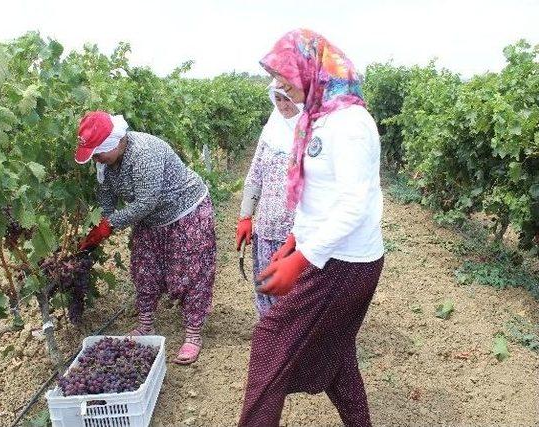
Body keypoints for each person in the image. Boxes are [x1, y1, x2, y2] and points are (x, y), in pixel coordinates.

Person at [238, 29, 385, 427]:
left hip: (346, 261)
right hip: (329, 254)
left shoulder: (350, 124)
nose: (281, 84)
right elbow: (316, 195)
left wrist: (301, 258)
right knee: (336, 352)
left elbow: (354, 204)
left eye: (287, 75)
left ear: (313, 70)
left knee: (271, 338)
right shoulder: (318, 118)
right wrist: (292, 240)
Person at [75, 111, 216, 365]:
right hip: (150, 218)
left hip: (184, 211)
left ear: (116, 143)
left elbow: (145, 202)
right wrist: (104, 218)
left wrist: (110, 225)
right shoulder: (104, 161)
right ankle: (145, 325)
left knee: (191, 271)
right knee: (144, 269)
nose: (96, 158)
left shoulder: (144, 153)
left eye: (98, 153)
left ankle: (193, 333)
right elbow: (105, 192)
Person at [236, 81, 301, 317]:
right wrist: (245, 216)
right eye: (279, 99)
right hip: (266, 228)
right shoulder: (270, 133)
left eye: (288, 98)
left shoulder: (310, 134)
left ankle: (294, 341)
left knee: (296, 291)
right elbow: (255, 176)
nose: (283, 105)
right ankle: (270, 334)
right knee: (267, 287)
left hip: (297, 232)